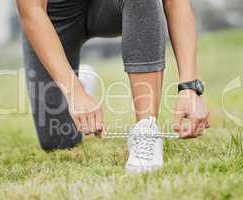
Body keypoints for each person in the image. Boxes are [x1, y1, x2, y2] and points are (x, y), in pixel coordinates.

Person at [17, 0, 211, 173]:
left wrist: (190, 87)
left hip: (108, 6)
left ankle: (146, 129)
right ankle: (79, 81)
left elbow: (176, 3)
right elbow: (32, 11)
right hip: (55, 15)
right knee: (58, 140)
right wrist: (73, 91)